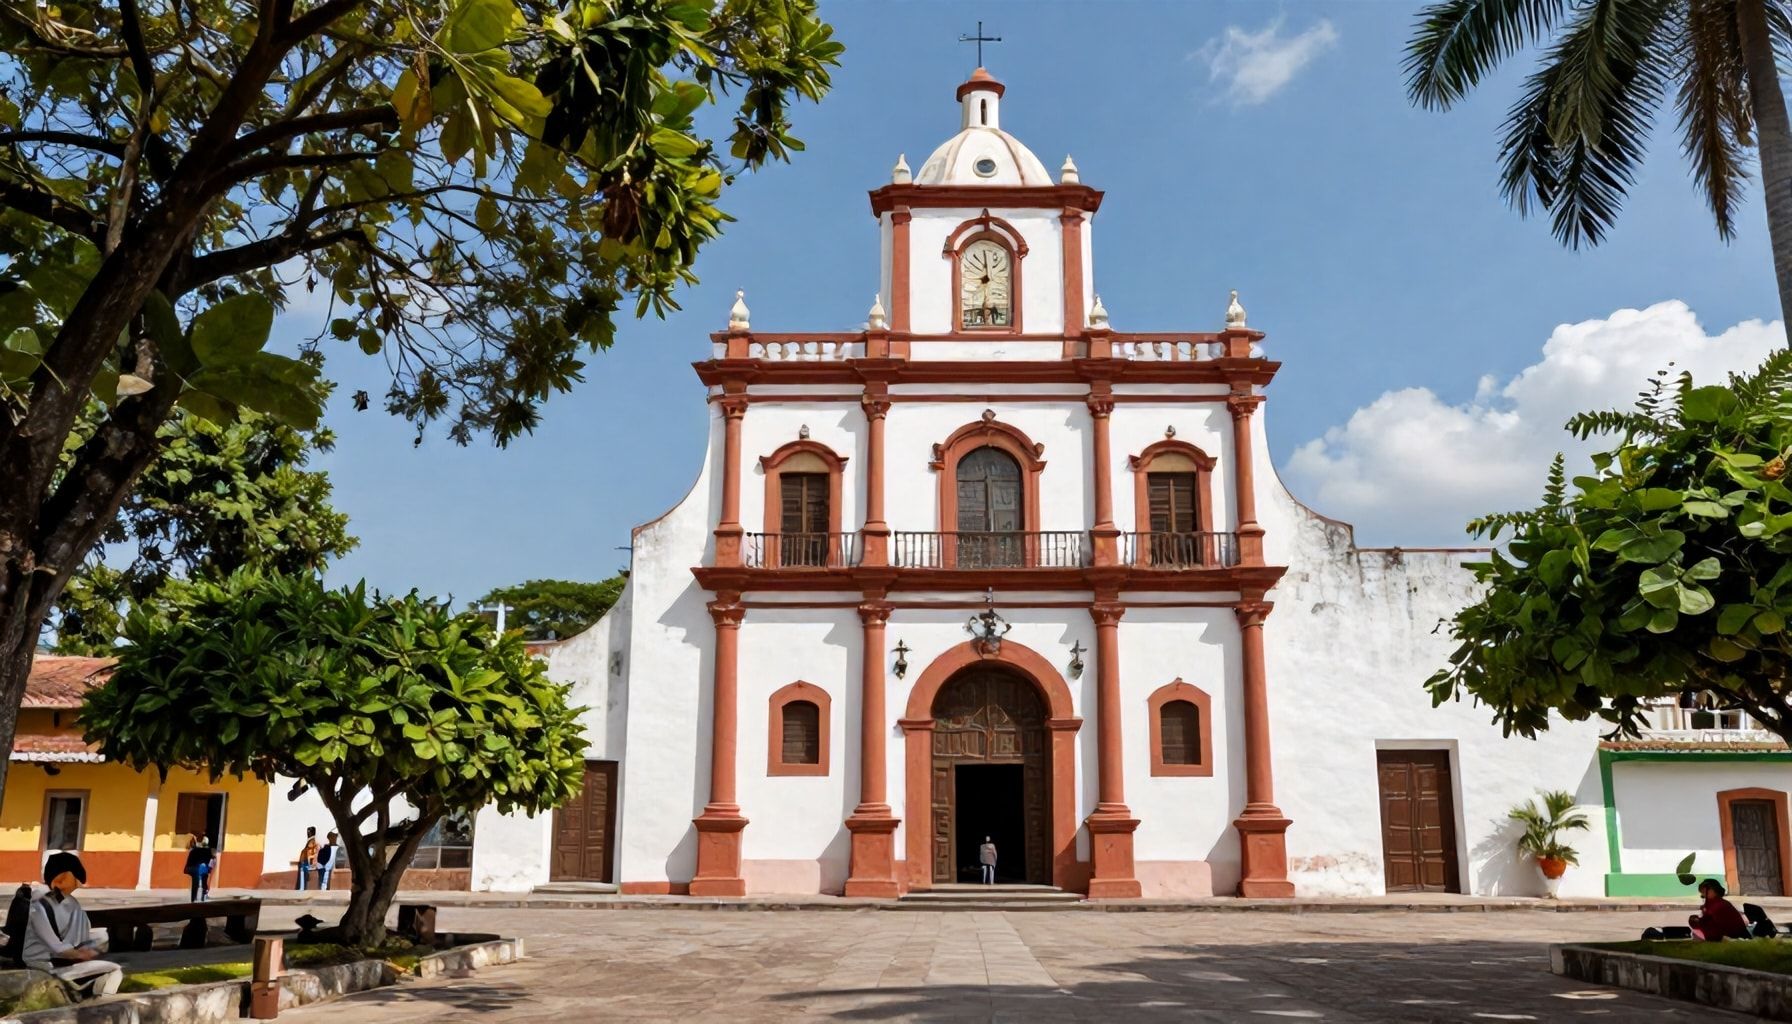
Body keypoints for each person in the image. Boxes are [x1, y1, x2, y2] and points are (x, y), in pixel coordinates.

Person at [22, 852, 122, 999]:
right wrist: (82, 954)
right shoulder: (39, 906)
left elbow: (78, 941)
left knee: (102, 940)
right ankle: (98, 1004)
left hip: (63, 961)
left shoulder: (72, 905)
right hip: (43, 966)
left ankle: (90, 999)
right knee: (114, 970)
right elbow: (57, 947)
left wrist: (87, 948)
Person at [182, 834, 215, 903]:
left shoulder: (195, 850)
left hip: (192, 868)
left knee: (197, 879)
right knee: (202, 877)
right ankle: (202, 896)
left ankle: (194, 899)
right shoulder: (207, 851)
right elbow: (211, 861)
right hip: (197, 868)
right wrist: (209, 869)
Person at [296, 827, 319, 891]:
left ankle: (302, 887)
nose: (308, 833)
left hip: (311, 863)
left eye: (309, 832)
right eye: (308, 832)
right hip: (306, 862)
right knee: (302, 867)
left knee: (302, 868)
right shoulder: (309, 842)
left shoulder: (313, 842)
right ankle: (302, 887)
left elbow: (312, 850)